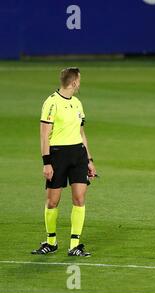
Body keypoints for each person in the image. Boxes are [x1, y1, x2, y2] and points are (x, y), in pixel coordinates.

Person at [31, 67, 96, 257]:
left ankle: (74, 245)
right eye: (79, 81)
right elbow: (44, 134)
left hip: (78, 155)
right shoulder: (51, 103)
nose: (80, 84)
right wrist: (46, 162)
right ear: (74, 82)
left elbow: (81, 133)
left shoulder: (77, 103)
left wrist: (90, 159)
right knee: (52, 202)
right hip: (57, 156)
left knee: (79, 199)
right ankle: (51, 242)